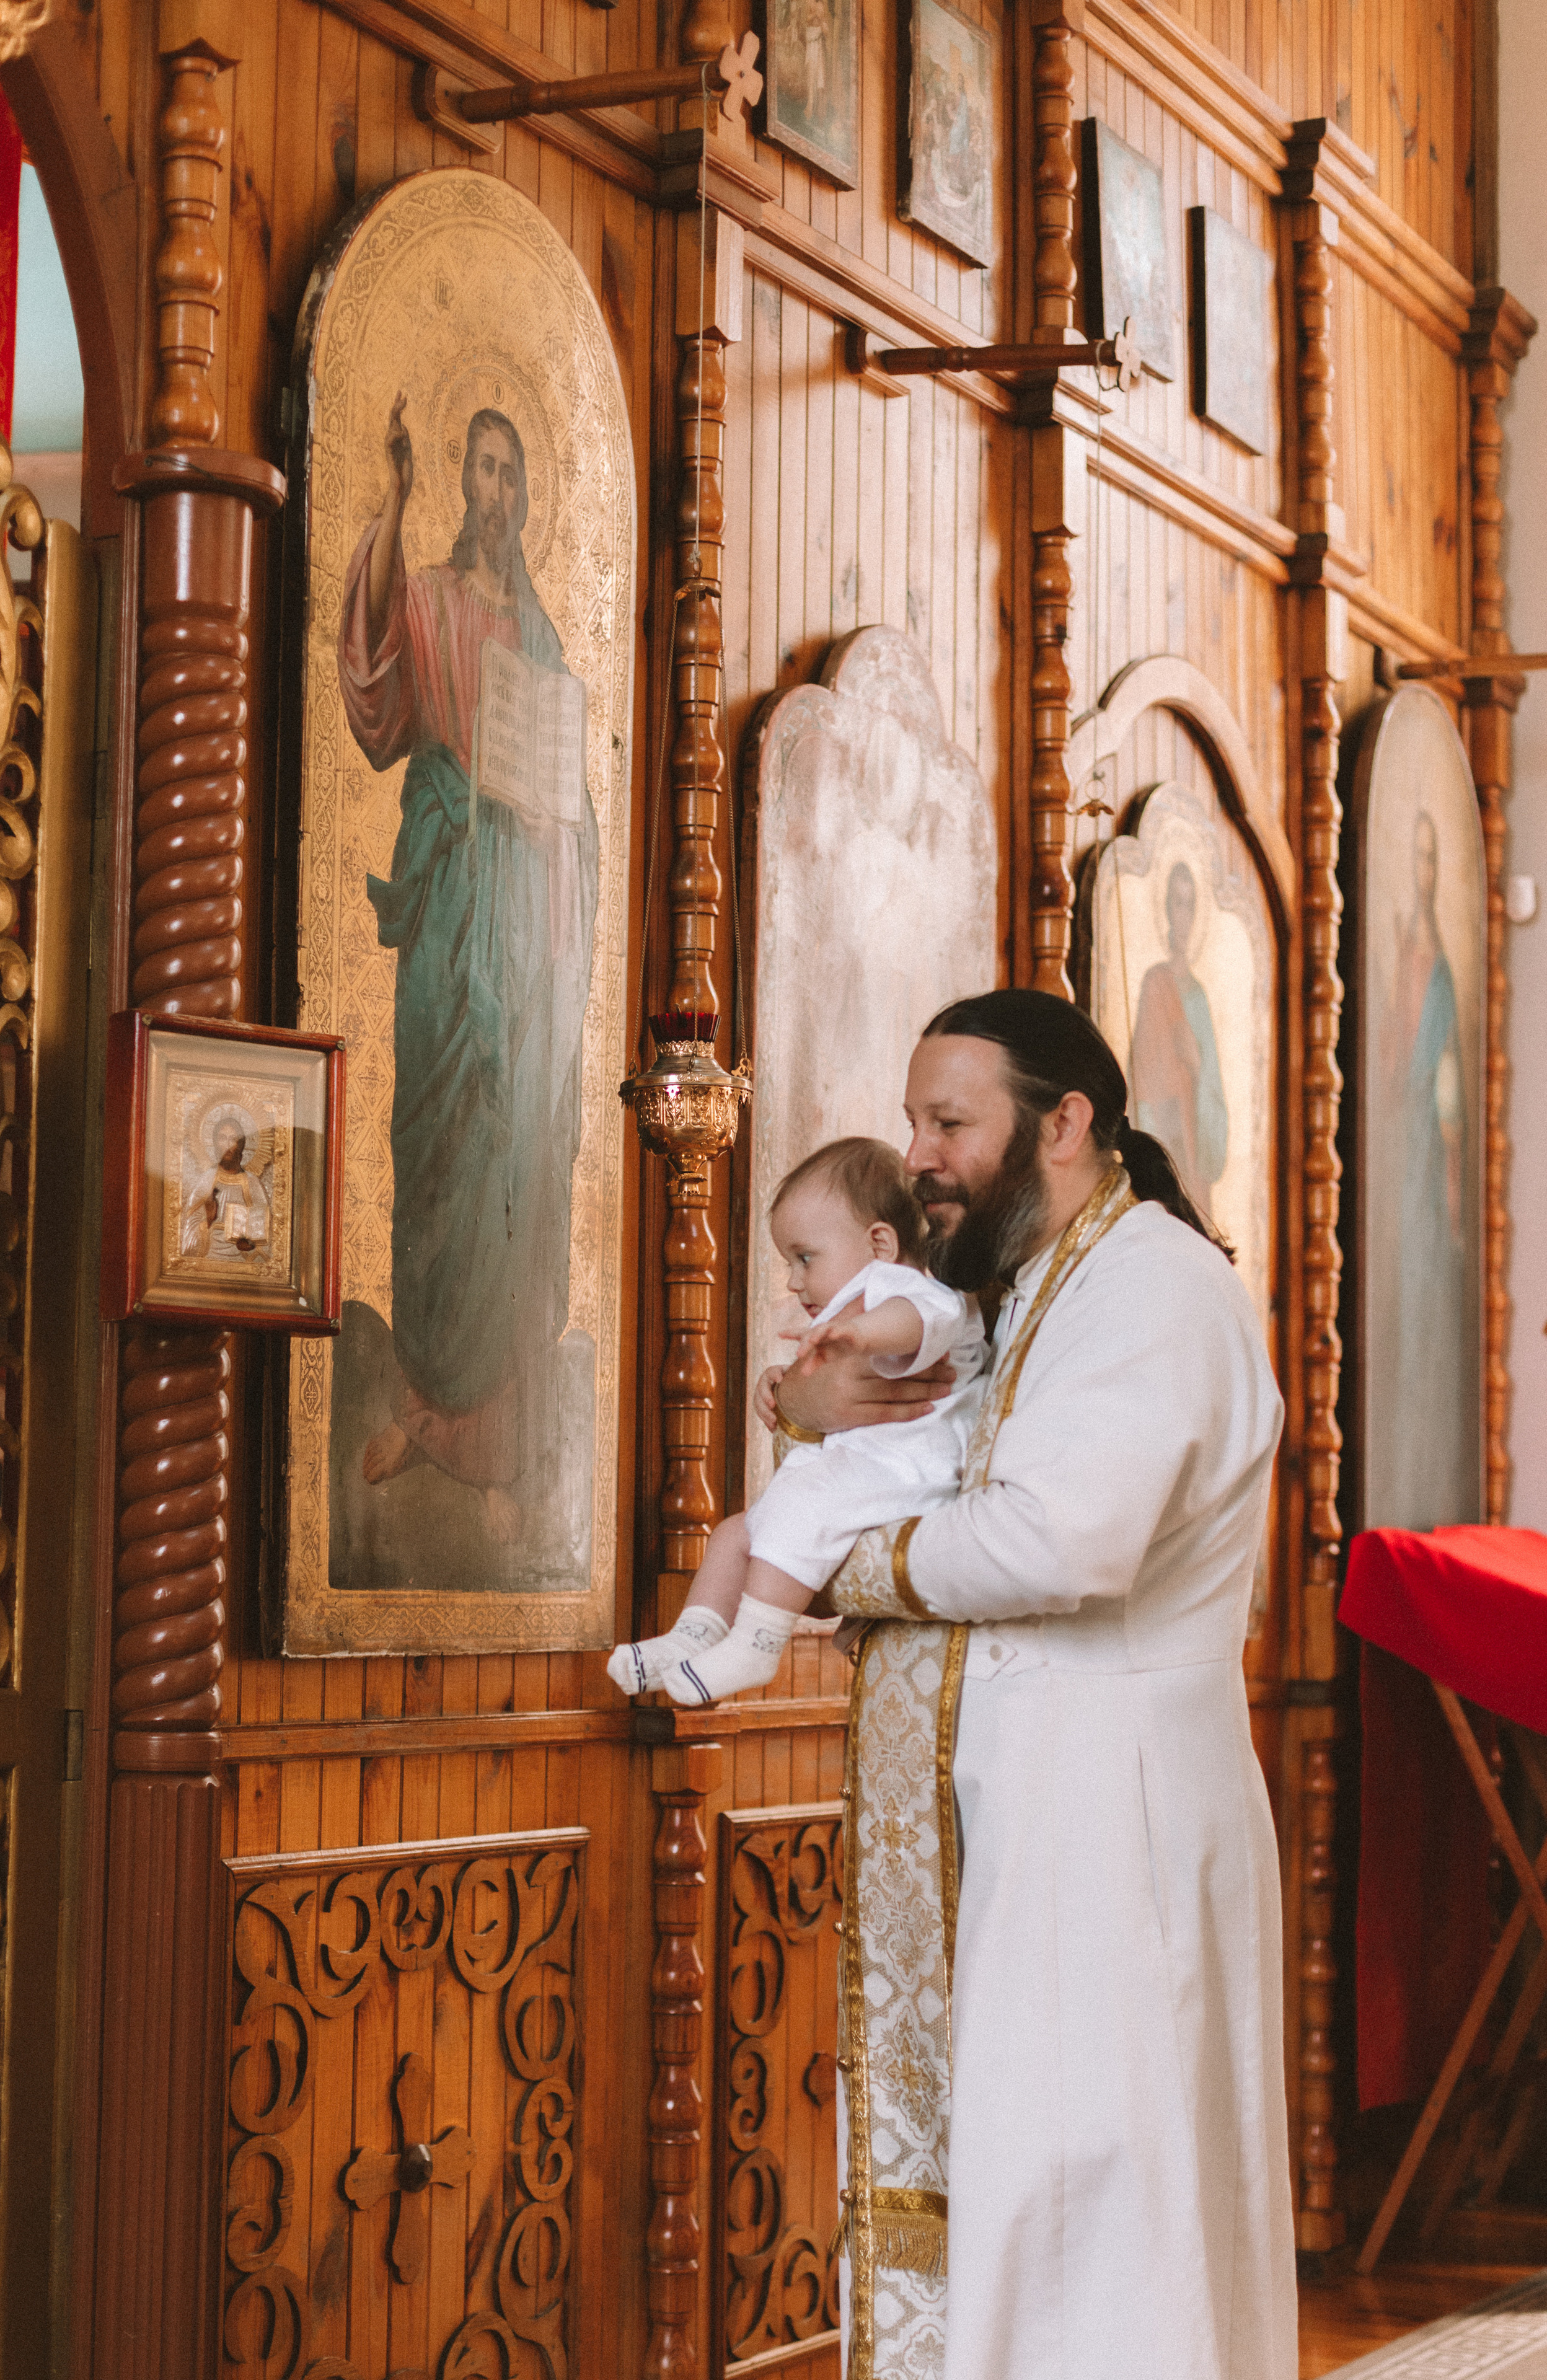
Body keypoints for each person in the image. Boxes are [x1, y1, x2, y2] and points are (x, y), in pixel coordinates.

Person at [773, 988, 1295, 2380]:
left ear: (1063, 1123)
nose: (919, 1156)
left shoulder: (1150, 1288)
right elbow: (898, 1446)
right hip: (1043, 1824)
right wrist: (806, 1416)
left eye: (950, 1122)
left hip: (1105, 1818)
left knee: (1102, 2211)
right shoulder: (1034, 1285)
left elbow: (1064, 1539)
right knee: (1040, 2195)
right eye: (911, 1122)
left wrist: (848, 1568)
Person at [338, 394, 598, 1536]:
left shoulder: (541, 641)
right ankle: (422, 1403)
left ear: (525, 499)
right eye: (477, 470)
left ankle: (489, 1447)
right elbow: (375, 684)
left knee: (512, 1148)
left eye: (509, 474)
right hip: (449, 895)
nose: (491, 491)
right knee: (437, 1136)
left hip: (519, 906)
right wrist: (390, 499)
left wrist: (558, 830)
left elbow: (573, 800)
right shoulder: (436, 600)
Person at [607, 1137, 986, 1703]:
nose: (792, 1280)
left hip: (911, 1471)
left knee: (798, 1502)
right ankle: (690, 1636)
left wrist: (861, 1333)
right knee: (738, 1531)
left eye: (805, 1258)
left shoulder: (903, 1287)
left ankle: (757, 1644)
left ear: (880, 1243)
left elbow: (928, 1319)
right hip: (869, 1471)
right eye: (789, 1262)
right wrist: (782, 1389)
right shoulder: (859, 1301)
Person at [1381, 808, 1472, 1526]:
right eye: (1415, 858)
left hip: (1421, 1157)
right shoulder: (1401, 959)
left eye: (1430, 860)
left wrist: (1443, 1160)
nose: (1424, 873)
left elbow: (1444, 1081)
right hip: (1396, 1151)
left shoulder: (1435, 966)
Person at [1130, 857, 1229, 1217]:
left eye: (1189, 904)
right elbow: (1141, 1073)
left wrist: (1198, 1066)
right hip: (1167, 1134)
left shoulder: (1199, 997)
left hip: (1195, 1144)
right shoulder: (1155, 984)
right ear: (1167, 910)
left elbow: (1213, 1083)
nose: (1182, 915)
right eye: (1176, 902)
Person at [182, 1115, 268, 1263]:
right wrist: (208, 1220)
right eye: (222, 1138)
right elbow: (187, 1231)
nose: (228, 1145)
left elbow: (267, 1233)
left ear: (240, 1145)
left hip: (243, 1260)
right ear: (215, 1143)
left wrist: (250, 1242)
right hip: (208, 1258)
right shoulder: (207, 1180)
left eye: (233, 1139)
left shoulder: (252, 1183)